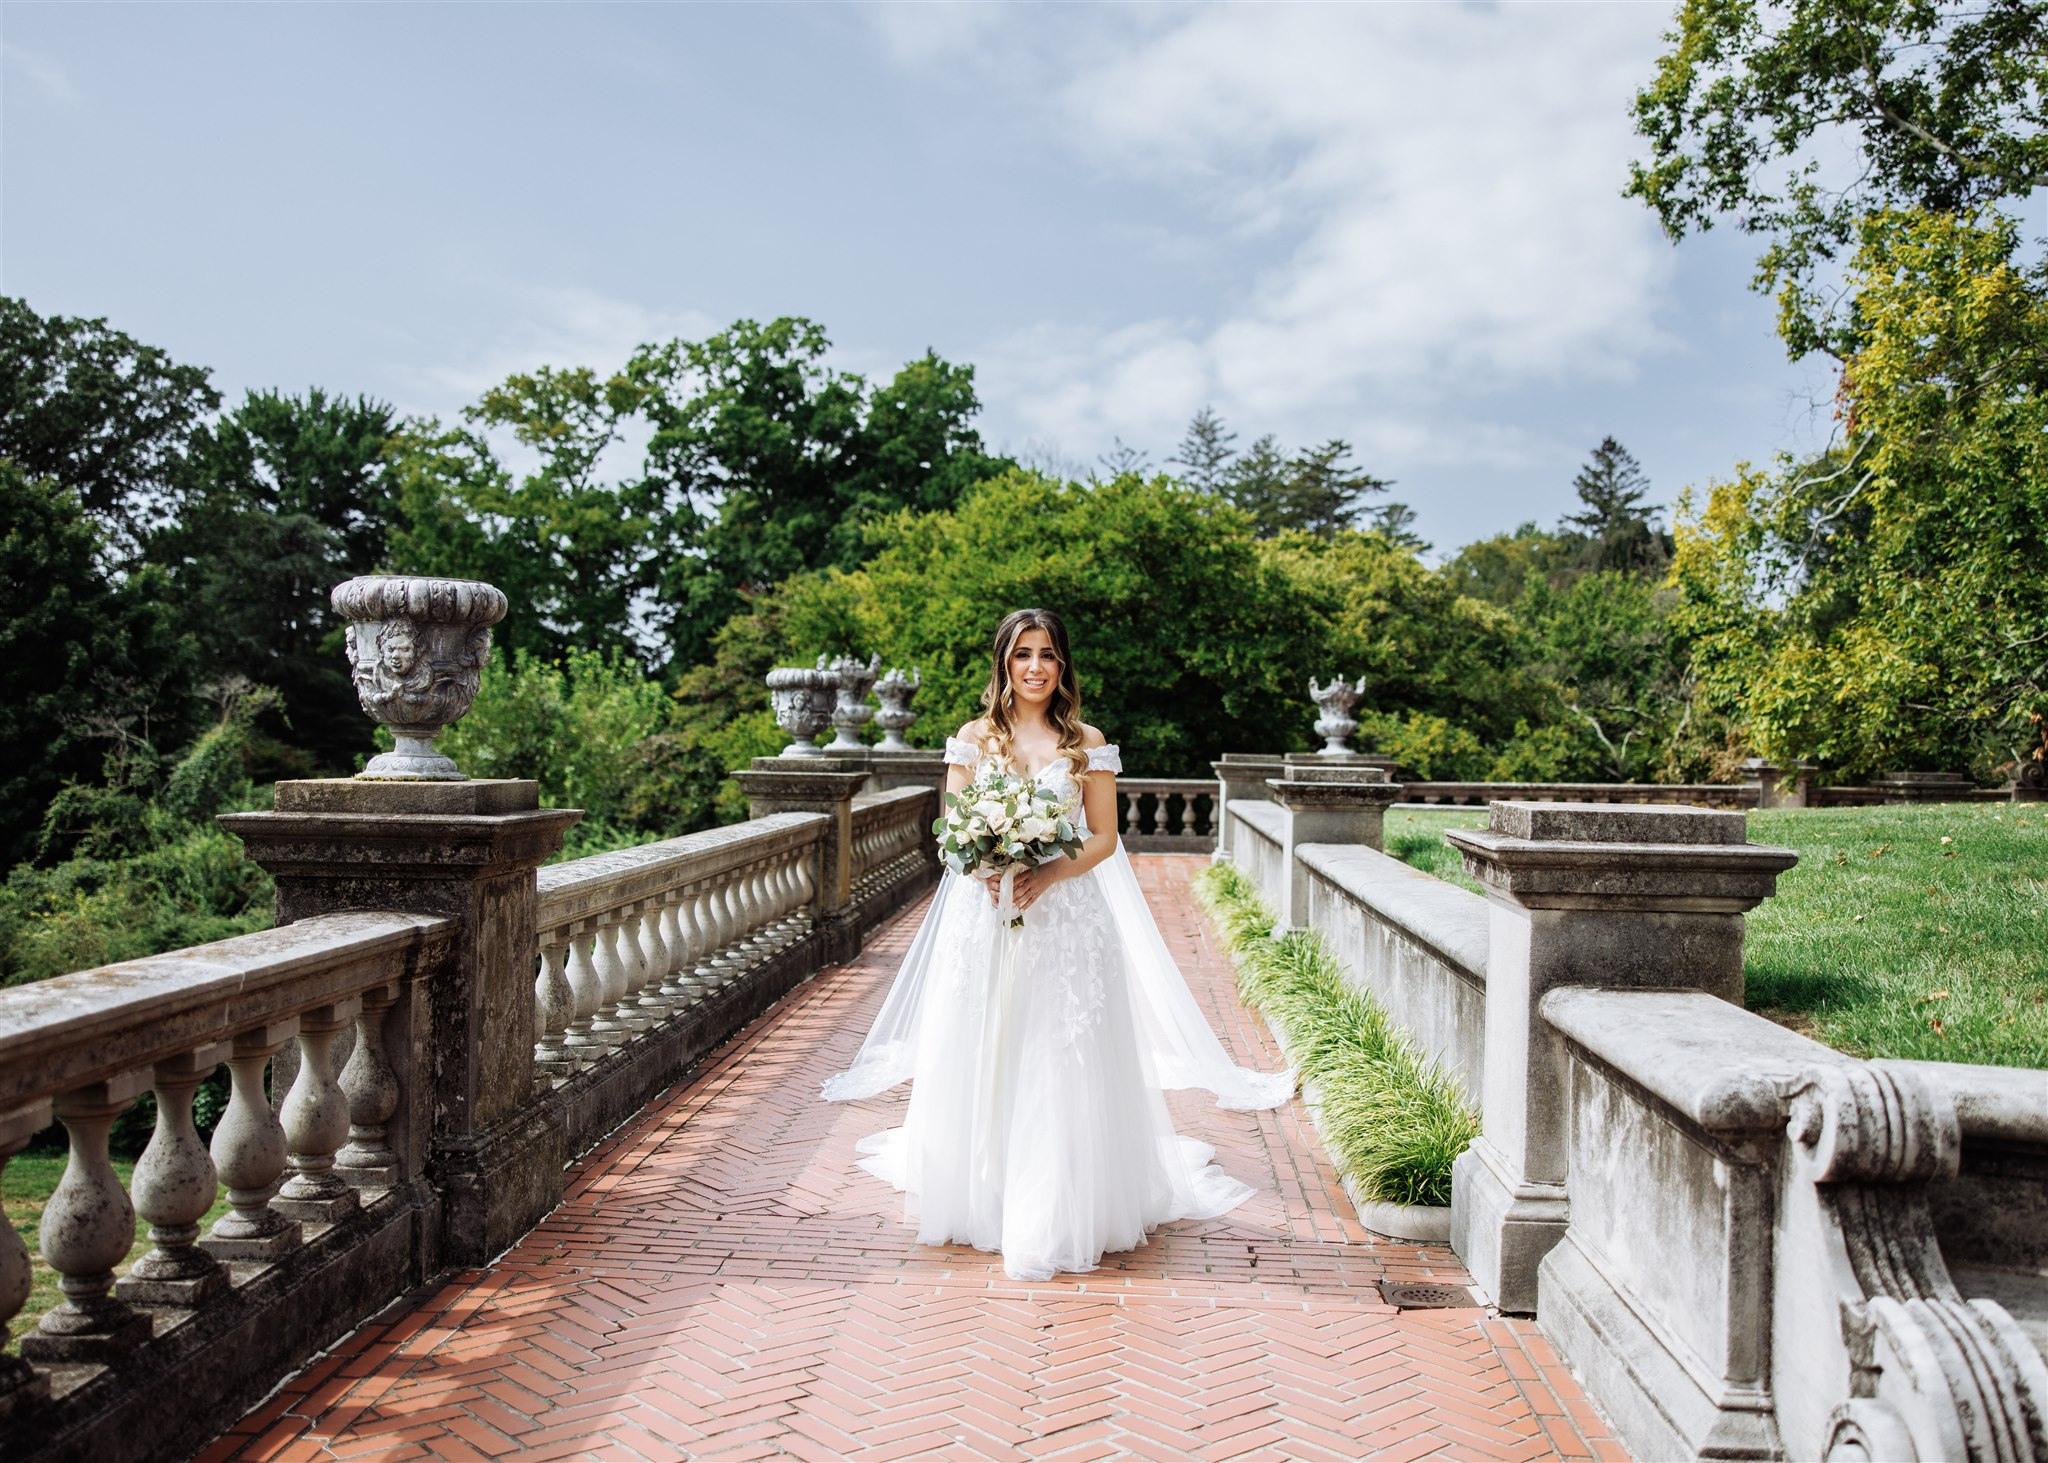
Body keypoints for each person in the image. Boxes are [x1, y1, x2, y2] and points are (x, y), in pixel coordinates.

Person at [821, 607, 1294, 1281]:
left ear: (1062, 665)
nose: (1035, 667)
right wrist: (986, 865)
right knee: (984, 1039)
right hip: (984, 916)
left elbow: (1103, 836)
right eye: (1022, 655)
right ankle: (982, 1187)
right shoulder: (974, 739)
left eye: (1047, 654)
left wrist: (1048, 873)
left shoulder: (1086, 743)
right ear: (1003, 664)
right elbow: (951, 826)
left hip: (1066, 916)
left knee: (1056, 1048)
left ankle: (1057, 1201)